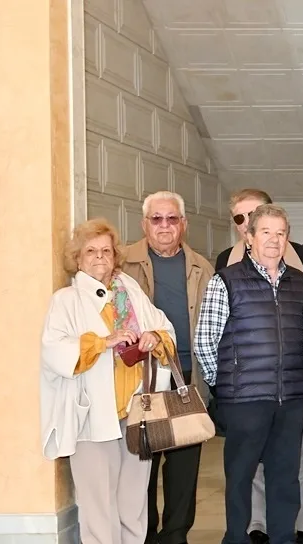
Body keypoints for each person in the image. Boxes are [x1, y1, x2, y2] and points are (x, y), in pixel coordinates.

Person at [41, 218, 176, 544]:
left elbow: (165, 328)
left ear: (115, 256)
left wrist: (154, 337)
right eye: (91, 251)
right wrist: (104, 342)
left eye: (106, 251)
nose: (100, 257)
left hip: (138, 412)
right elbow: (54, 351)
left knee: (134, 504)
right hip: (94, 417)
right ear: (78, 259)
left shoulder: (129, 290)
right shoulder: (66, 300)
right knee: (98, 507)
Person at [194, 205, 303, 544]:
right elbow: (205, 340)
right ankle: (236, 539)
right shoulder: (226, 281)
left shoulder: (299, 282)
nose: (274, 240)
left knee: (285, 478)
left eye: (280, 233)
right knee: (240, 478)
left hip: (290, 399)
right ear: (249, 237)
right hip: (244, 400)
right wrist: (225, 384)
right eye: (266, 232)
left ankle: (283, 538)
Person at [122, 192, 215, 544]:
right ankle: (144, 535)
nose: (165, 226)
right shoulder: (122, 264)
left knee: (184, 469)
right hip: (141, 382)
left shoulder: (201, 267)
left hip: (186, 379)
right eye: (157, 219)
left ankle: (176, 536)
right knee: (141, 465)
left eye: (172, 219)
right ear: (144, 224)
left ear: (184, 224)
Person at [215, 189, 303, 273]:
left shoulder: (301, 254)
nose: (247, 223)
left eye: (253, 215)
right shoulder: (225, 259)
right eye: (239, 218)